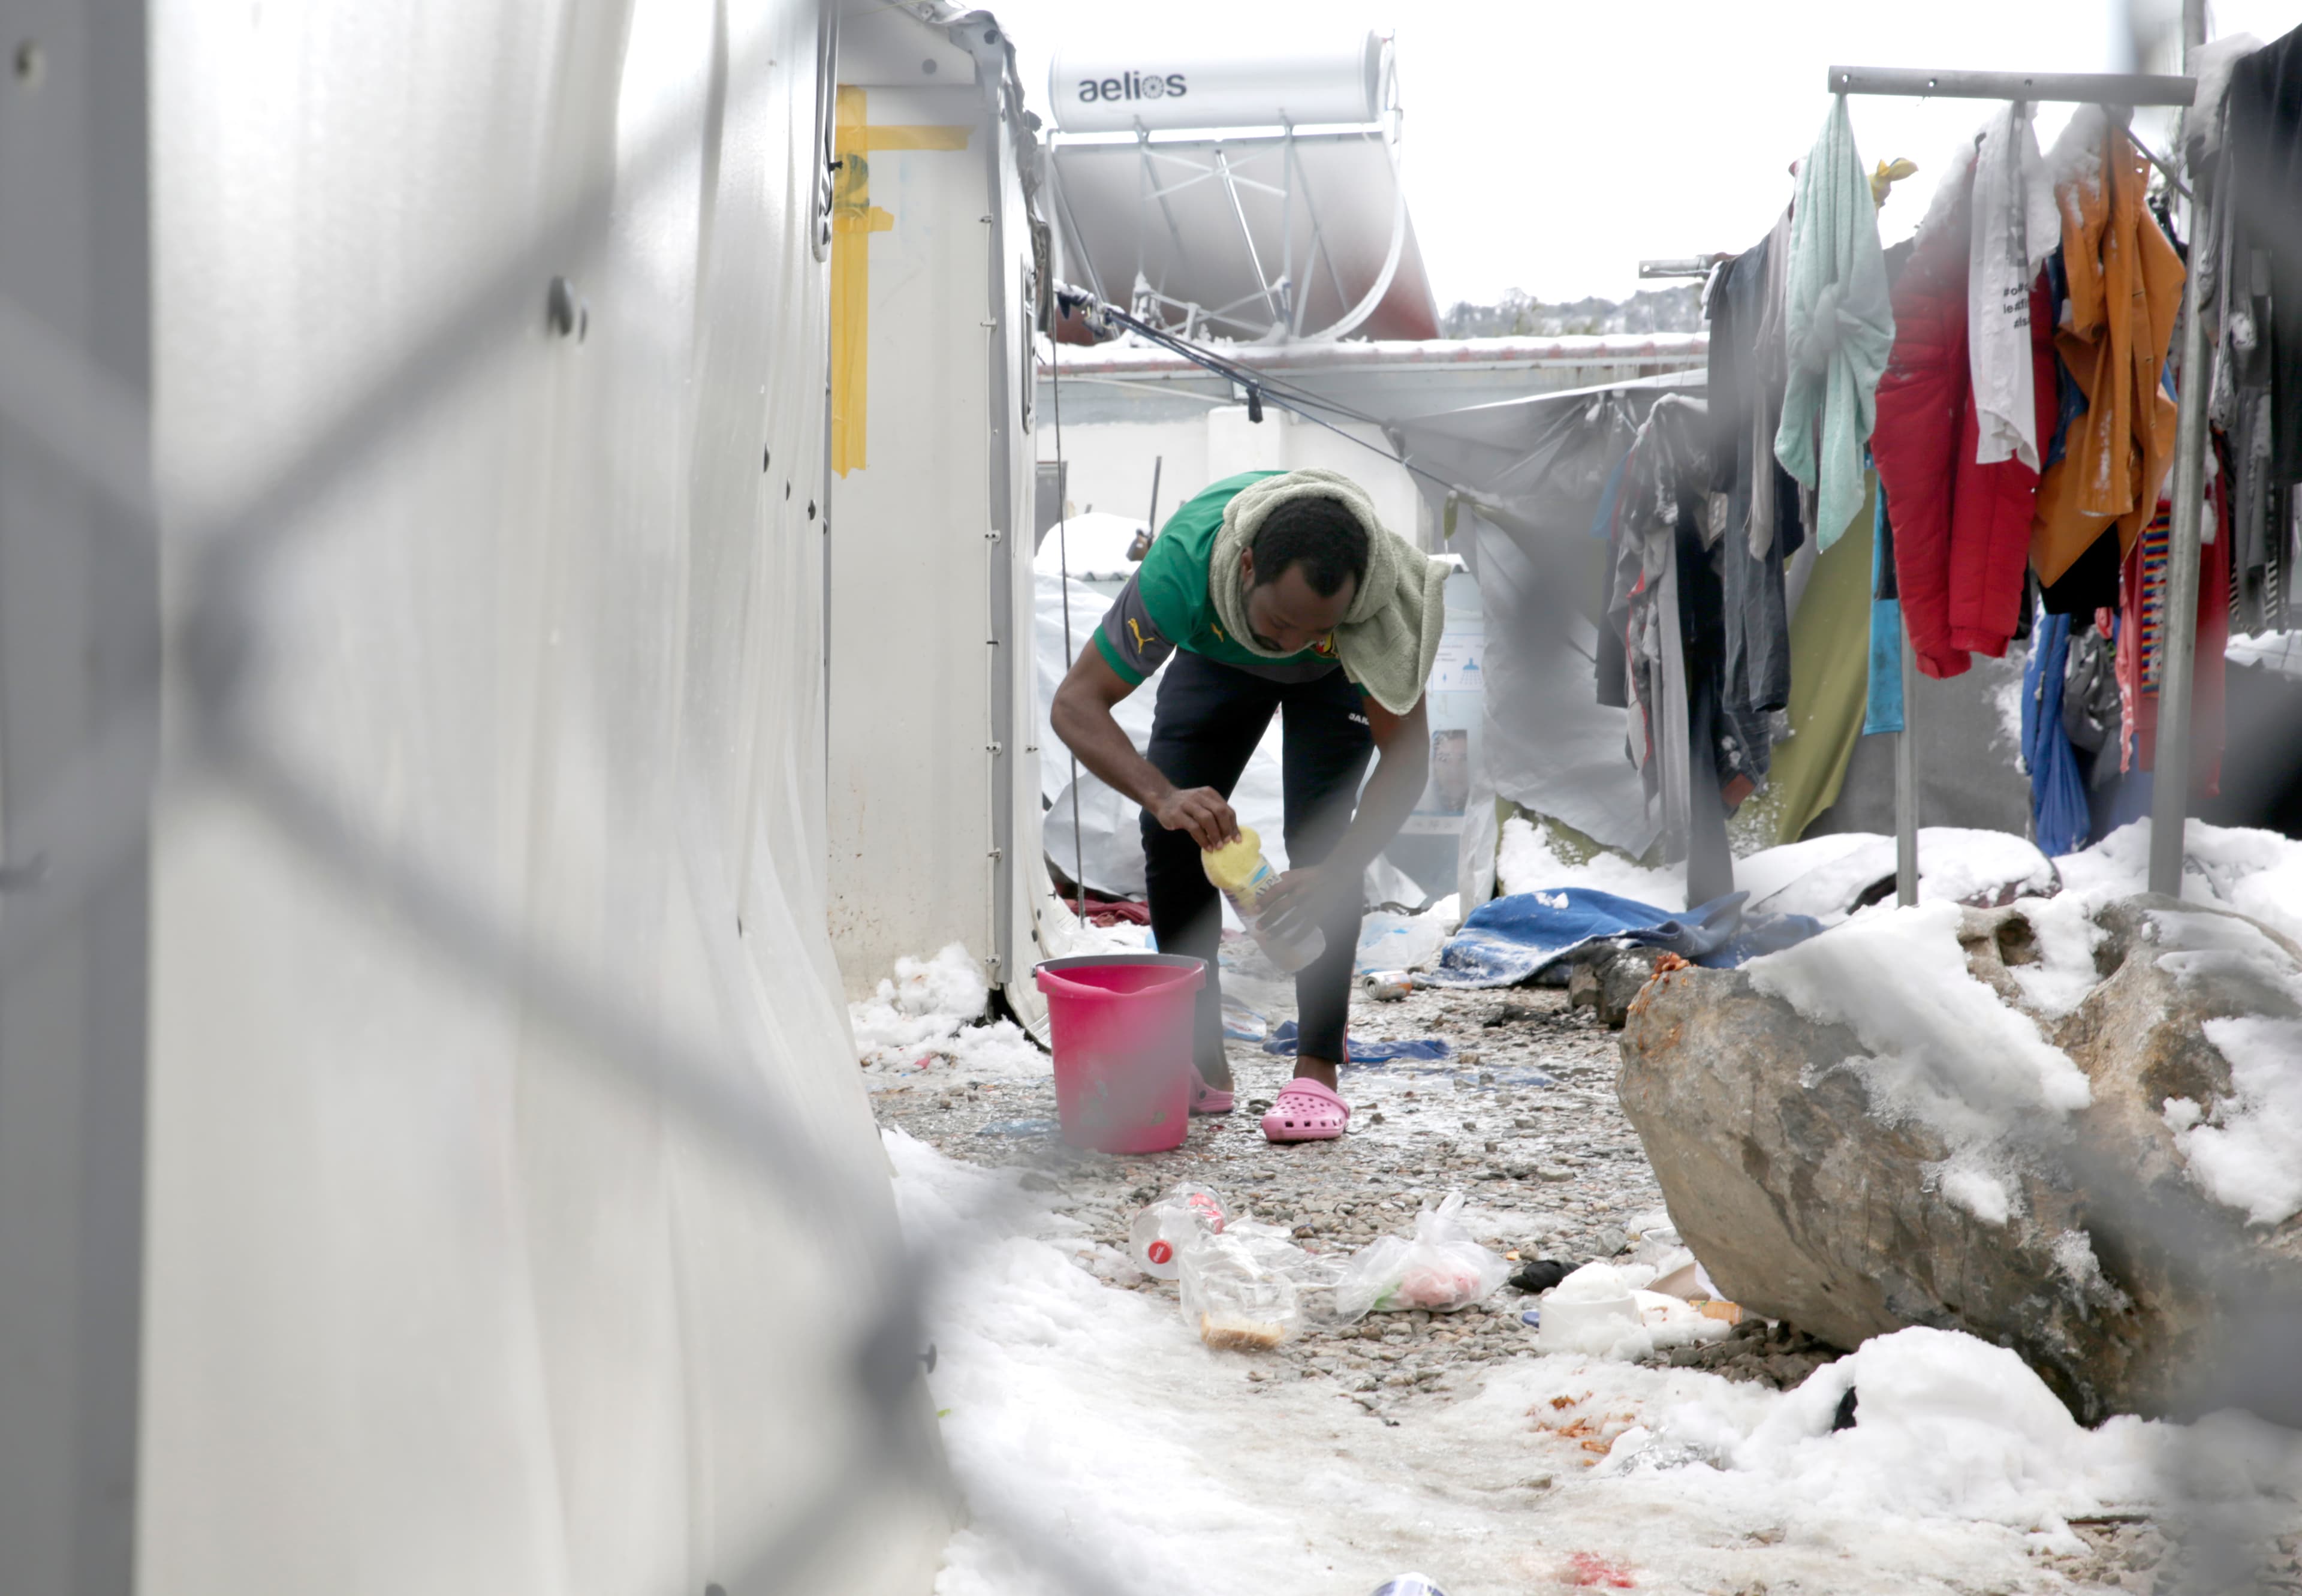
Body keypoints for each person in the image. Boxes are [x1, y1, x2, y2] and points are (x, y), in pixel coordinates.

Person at [1050, 466, 1446, 1143]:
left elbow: (1408, 757)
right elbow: (1075, 704)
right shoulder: (1183, 572)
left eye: (1312, 627)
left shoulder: (1378, 611)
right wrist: (1164, 794)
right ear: (1248, 566)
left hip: (1339, 677)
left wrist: (1343, 869)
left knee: (1324, 847)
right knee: (1176, 832)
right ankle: (1199, 1058)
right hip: (1219, 652)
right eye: (1280, 620)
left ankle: (1317, 1071)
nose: (1290, 643)